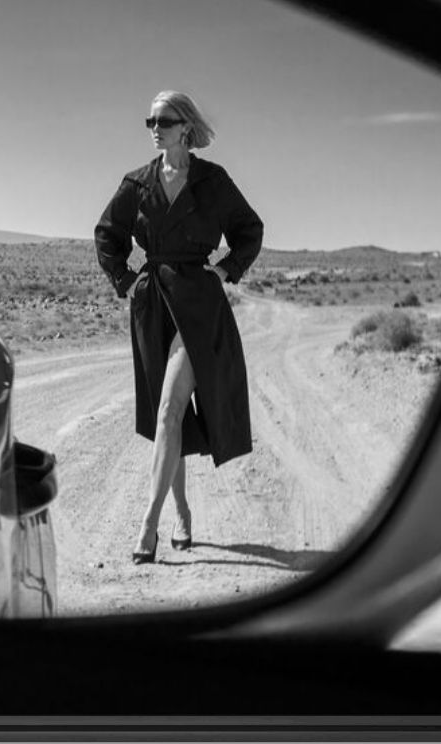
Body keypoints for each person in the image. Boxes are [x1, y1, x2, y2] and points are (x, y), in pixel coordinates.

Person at [94, 90, 264, 564]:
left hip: (199, 303)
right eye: (149, 119)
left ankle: (147, 525)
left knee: (169, 408)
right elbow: (106, 234)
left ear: (184, 126)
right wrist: (125, 281)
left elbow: (250, 229)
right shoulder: (138, 182)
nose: (154, 126)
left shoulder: (213, 180)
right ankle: (183, 512)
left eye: (163, 119)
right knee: (170, 419)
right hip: (152, 304)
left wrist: (227, 270)